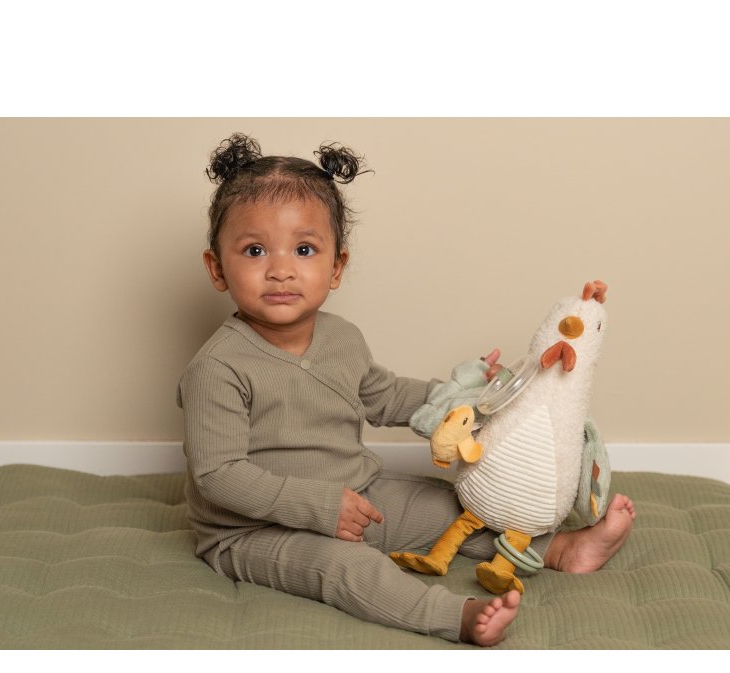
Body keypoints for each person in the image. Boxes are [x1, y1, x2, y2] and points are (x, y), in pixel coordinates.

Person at [177, 133, 635, 646]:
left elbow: (386, 395)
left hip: (357, 495)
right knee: (345, 566)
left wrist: (461, 400)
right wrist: (320, 506)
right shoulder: (217, 368)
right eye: (255, 250)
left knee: (452, 507)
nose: (281, 269)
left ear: (337, 266)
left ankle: (557, 549)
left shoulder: (341, 338)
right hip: (252, 531)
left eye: (304, 249)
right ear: (217, 268)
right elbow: (220, 477)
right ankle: (456, 616)